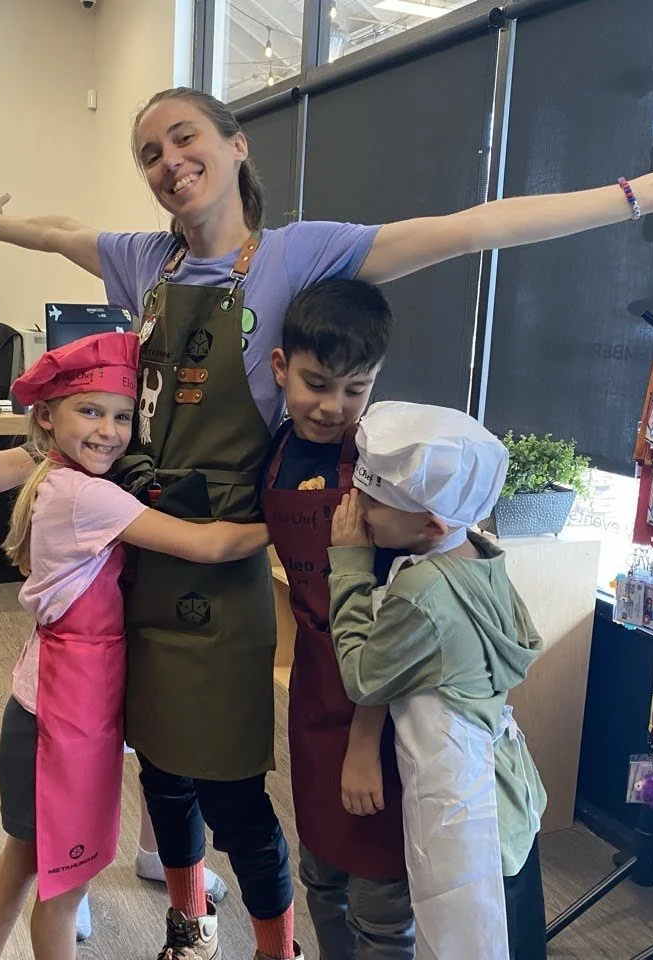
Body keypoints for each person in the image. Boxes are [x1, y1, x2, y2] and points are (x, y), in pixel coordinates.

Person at [0, 86, 653, 960]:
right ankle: (189, 925)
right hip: (147, 555)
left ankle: (276, 946)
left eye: (184, 138)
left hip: (230, 558)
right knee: (160, 767)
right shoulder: (143, 262)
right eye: (148, 153)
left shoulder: (297, 256)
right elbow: (60, 232)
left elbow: (467, 227)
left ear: (236, 147)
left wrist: (640, 195)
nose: (168, 163)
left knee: (230, 777)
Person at [0, 332, 269, 960]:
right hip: (54, 720)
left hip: (50, 703)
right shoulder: (86, 495)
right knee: (59, 879)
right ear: (47, 417)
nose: (109, 431)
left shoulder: (59, 476)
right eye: (90, 412)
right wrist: (290, 523)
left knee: (30, 863)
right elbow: (207, 545)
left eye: (123, 416)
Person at [328, 402, 547, 960]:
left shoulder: (421, 595)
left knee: (462, 932)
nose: (361, 510)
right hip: (506, 789)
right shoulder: (483, 558)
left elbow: (362, 677)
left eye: (375, 502)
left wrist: (350, 566)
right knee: (509, 929)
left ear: (431, 525)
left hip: (458, 797)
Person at [260, 279, 414, 960]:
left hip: (379, 703)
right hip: (315, 691)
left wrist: (363, 740)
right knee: (318, 874)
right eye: (316, 383)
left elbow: (393, 621)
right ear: (279, 369)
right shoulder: (275, 449)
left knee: (380, 898)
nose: (333, 407)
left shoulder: (383, 473)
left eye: (356, 389)